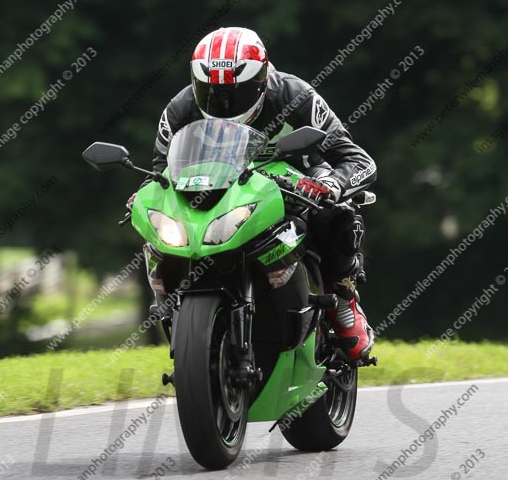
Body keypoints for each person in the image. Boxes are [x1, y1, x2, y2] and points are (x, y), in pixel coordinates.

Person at [151, 26, 376, 361]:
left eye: (234, 93)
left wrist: (333, 185)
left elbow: (358, 159)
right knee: (161, 226)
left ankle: (344, 301)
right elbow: (160, 171)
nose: (222, 103)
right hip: (219, 189)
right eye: (210, 92)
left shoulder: (295, 95)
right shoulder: (180, 109)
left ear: (261, 80)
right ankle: (169, 302)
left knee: (336, 212)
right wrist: (147, 195)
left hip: (296, 178)